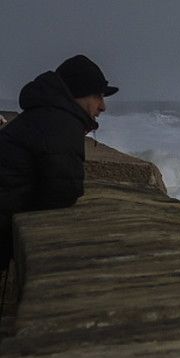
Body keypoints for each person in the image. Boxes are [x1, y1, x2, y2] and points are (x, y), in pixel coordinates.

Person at [0, 54, 118, 277]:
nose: (103, 106)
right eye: (97, 96)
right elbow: (63, 192)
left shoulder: (46, 116)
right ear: (78, 95)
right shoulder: (61, 125)